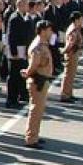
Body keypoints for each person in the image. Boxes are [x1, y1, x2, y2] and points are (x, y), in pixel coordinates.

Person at [23, 21, 55, 149]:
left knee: (39, 110)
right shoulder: (37, 46)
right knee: (36, 110)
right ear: (42, 31)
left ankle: (34, 134)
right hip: (38, 81)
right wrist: (27, 73)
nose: (51, 32)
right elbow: (34, 65)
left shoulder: (43, 44)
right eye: (49, 30)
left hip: (42, 79)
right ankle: (31, 138)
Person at [60, 11, 83, 103]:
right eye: (80, 19)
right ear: (76, 20)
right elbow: (70, 44)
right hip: (71, 54)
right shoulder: (73, 30)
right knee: (68, 75)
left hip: (74, 53)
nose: (82, 20)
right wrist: (63, 52)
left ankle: (69, 93)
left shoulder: (76, 28)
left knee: (72, 75)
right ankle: (65, 94)